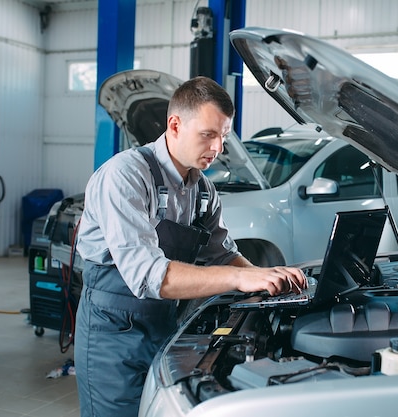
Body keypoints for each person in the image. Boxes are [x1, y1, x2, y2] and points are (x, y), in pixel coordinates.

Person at [74, 76, 307, 417]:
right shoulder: (124, 176)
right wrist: (237, 279)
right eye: (208, 135)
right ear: (175, 125)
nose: (217, 148)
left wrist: (266, 277)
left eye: (223, 137)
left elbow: (223, 254)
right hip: (111, 334)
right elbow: (151, 277)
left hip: (165, 325)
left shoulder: (203, 191)